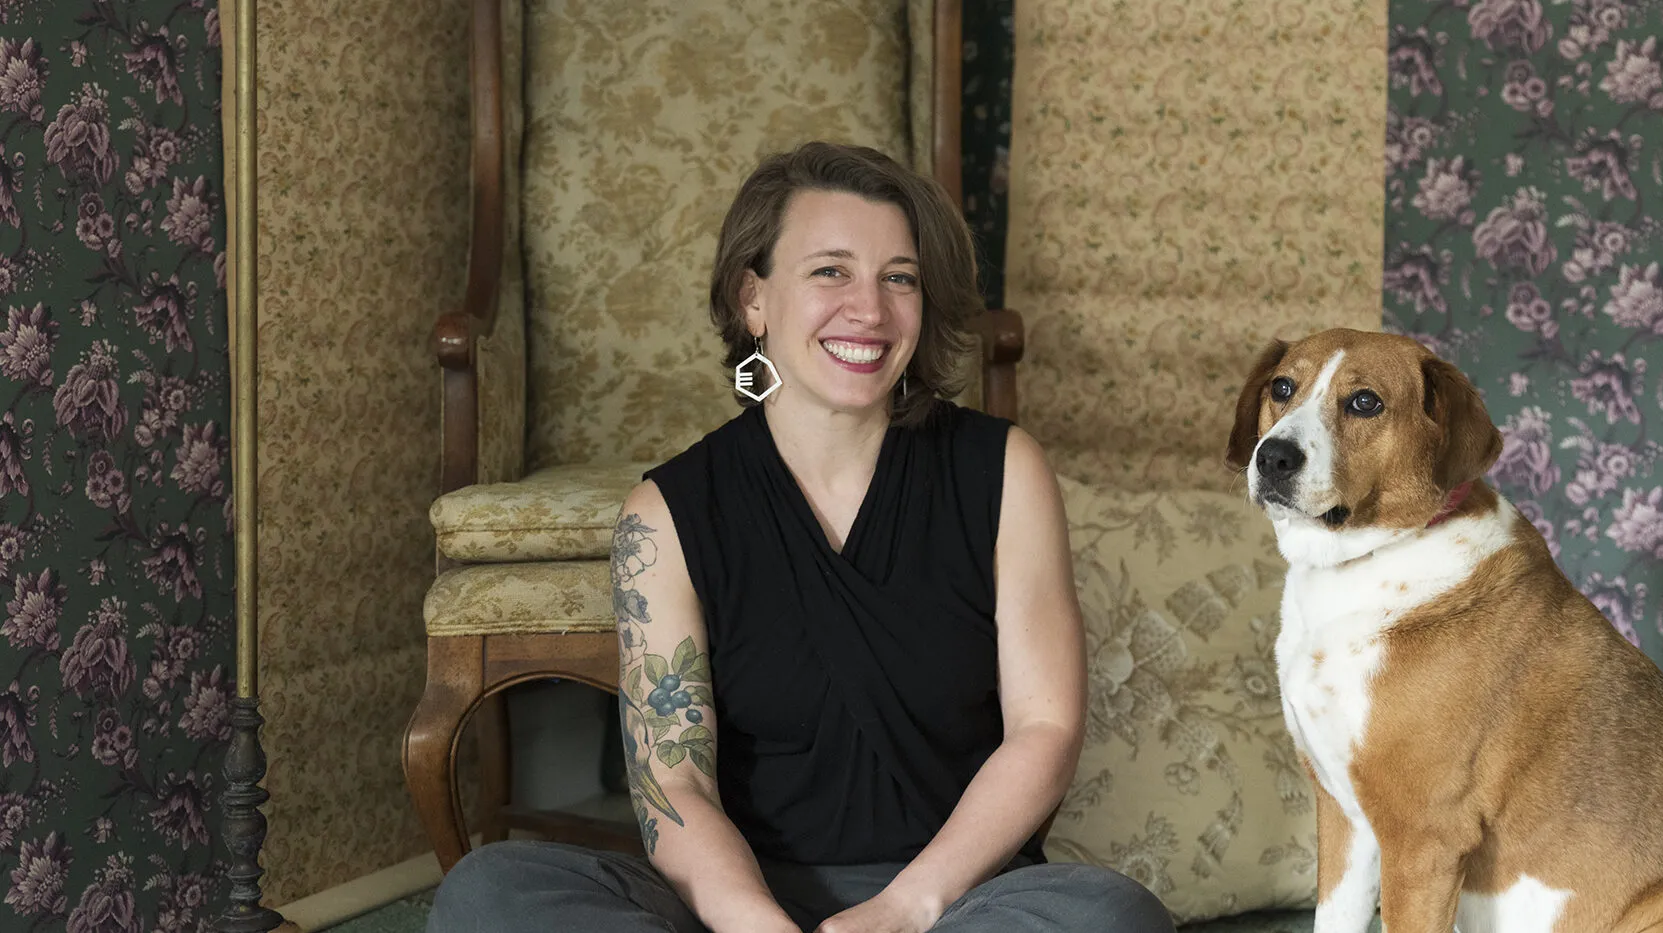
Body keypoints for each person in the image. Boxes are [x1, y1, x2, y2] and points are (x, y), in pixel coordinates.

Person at [426, 142, 1176, 933]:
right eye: (831, 271)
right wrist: (758, 925)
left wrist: (900, 909)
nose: (871, 309)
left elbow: (1045, 728)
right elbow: (675, 783)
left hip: (952, 900)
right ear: (754, 298)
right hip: (736, 902)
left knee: (1114, 916)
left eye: (900, 277)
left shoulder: (1005, 470)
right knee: (493, 894)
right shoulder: (666, 513)